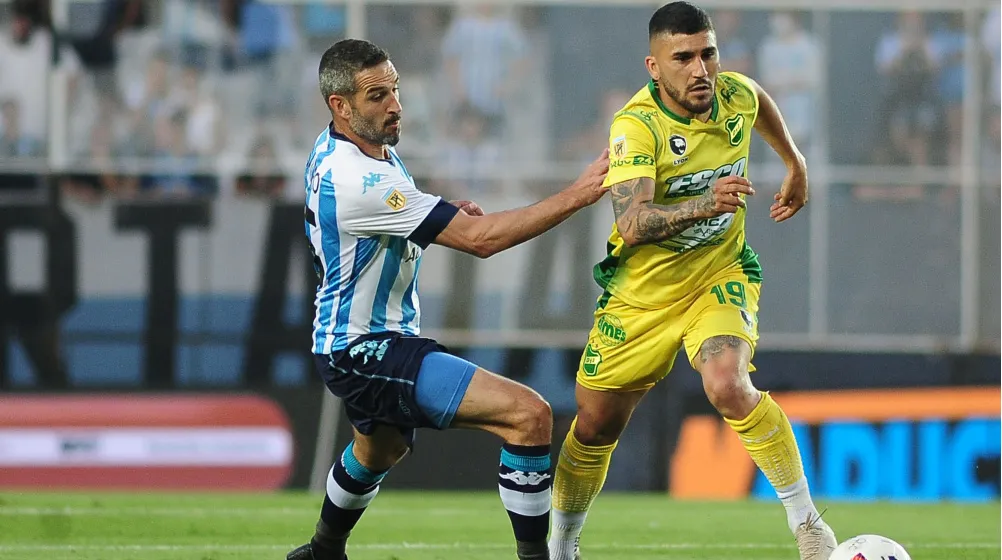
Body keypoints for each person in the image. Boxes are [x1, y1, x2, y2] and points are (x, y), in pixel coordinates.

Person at [286, 39, 609, 560]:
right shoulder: (358, 177)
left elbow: (373, 227)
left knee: (380, 448)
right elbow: (481, 242)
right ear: (339, 106)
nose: (394, 105)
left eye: (395, 90)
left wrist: (426, 218)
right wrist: (579, 193)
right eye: (376, 96)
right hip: (365, 347)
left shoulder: (351, 152)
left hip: (358, 339)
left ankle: (322, 551)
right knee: (528, 416)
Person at [547, 3, 837, 560]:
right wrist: (707, 204)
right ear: (654, 66)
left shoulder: (735, 95)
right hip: (642, 296)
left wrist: (795, 163)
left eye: (708, 53)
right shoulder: (636, 125)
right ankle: (560, 547)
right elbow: (630, 224)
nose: (700, 69)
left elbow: (760, 102)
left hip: (718, 275)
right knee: (595, 423)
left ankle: (809, 527)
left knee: (728, 384)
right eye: (683, 58)